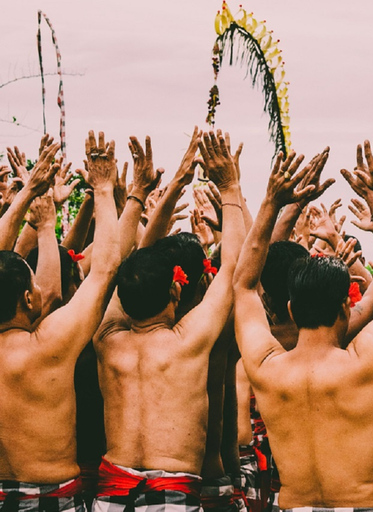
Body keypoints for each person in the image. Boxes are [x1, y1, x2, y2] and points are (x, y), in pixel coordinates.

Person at [235, 137, 373, 511]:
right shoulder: (365, 363)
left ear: (290, 309)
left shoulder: (264, 367)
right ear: (344, 307)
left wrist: (272, 202)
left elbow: (242, 286)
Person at [92, 131, 245, 512]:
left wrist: (146, 192)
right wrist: (229, 187)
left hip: (111, 493)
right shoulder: (189, 341)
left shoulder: (106, 338)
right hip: (172, 496)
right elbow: (232, 269)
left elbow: (115, 266)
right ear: (176, 292)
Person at [0, 133, 120, 512]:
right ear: (28, 298)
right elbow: (105, 270)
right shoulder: (50, 344)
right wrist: (103, 189)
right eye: (35, 283)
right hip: (54, 498)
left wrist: (27, 193)